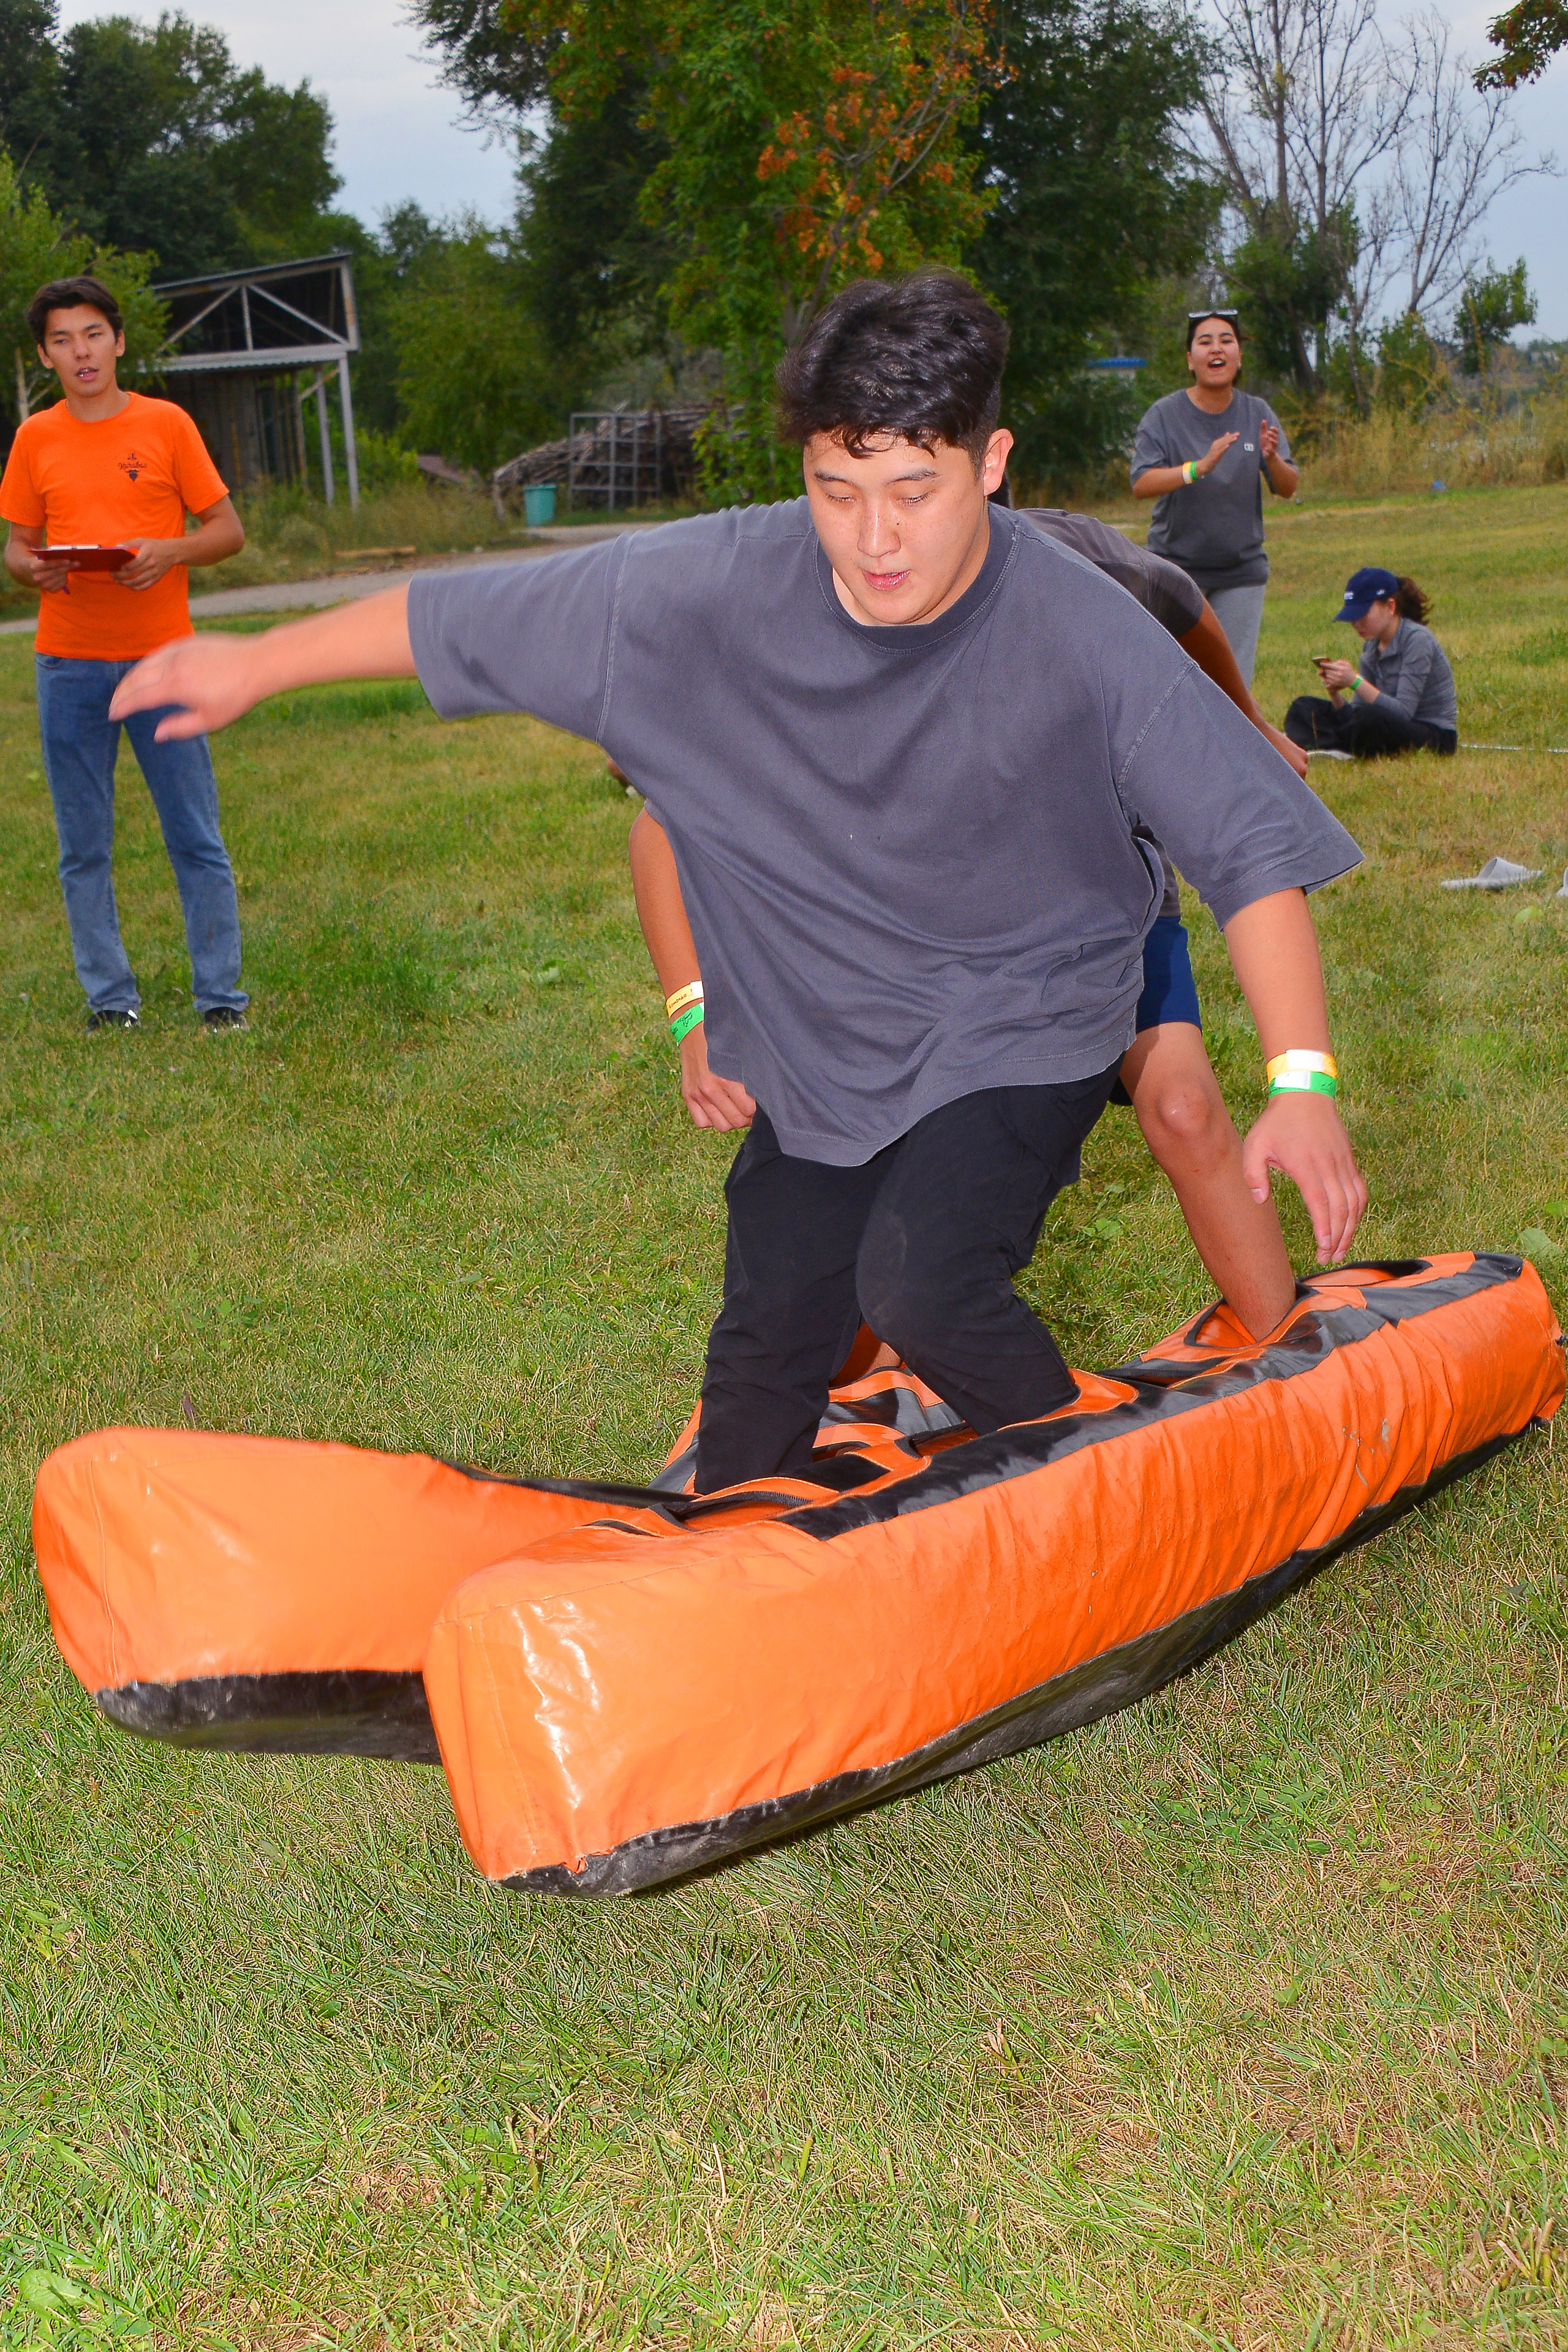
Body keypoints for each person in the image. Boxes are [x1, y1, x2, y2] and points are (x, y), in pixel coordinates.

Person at [107, 271, 1367, 1496]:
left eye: (914, 492)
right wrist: (259, 662)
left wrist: (1299, 1082)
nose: (874, 540)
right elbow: (472, 621)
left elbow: (1251, 857)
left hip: (1020, 1014)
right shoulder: (711, 584)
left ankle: (1108, 1489)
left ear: (990, 465)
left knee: (919, 1285)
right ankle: (741, 1572)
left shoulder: (1078, 627)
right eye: (836, 489)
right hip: (824, 1038)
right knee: (765, 1347)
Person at [627, 502, 1318, 1340]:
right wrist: (693, 1013)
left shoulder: (1072, 560)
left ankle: (1290, 1357)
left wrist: (1243, 720)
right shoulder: (837, 610)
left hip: (1095, 900)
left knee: (1182, 1109)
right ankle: (886, 1393)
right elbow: (662, 828)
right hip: (932, 935)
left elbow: (1182, 606)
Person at [0, 274, 250, 1032]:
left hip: (163, 661)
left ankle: (220, 1000)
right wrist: (34, 568)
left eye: (93, 335)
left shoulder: (168, 424)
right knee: (83, 847)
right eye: (63, 341)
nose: (81, 352)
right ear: (44, 356)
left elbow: (227, 530)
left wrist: (168, 551)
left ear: (117, 340)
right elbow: (16, 547)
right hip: (67, 665)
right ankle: (110, 1000)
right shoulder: (35, 437)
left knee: (195, 836)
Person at [1130, 311, 1298, 687]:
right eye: (1205, 342)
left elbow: (1287, 487)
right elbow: (1141, 482)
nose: (1216, 349)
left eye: (1226, 340)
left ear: (1238, 357)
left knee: (1233, 686)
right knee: (1172, 680)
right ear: (1190, 360)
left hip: (1242, 572)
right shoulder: (1164, 415)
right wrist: (1198, 468)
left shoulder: (1258, 413)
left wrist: (1272, 460)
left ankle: (1231, 747)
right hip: (1176, 571)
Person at [1284, 568, 1458, 760]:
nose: (1356, 623)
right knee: (1303, 708)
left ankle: (1331, 745)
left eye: (1363, 614)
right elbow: (1355, 713)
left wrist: (1355, 681)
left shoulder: (1417, 640)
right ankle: (1337, 746)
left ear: (1390, 606)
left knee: (1370, 720)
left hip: (1431, 733)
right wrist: (1334, 693)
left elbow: (1403, 713)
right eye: (1352, 617)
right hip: (1382, 723)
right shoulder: (1371, 645)